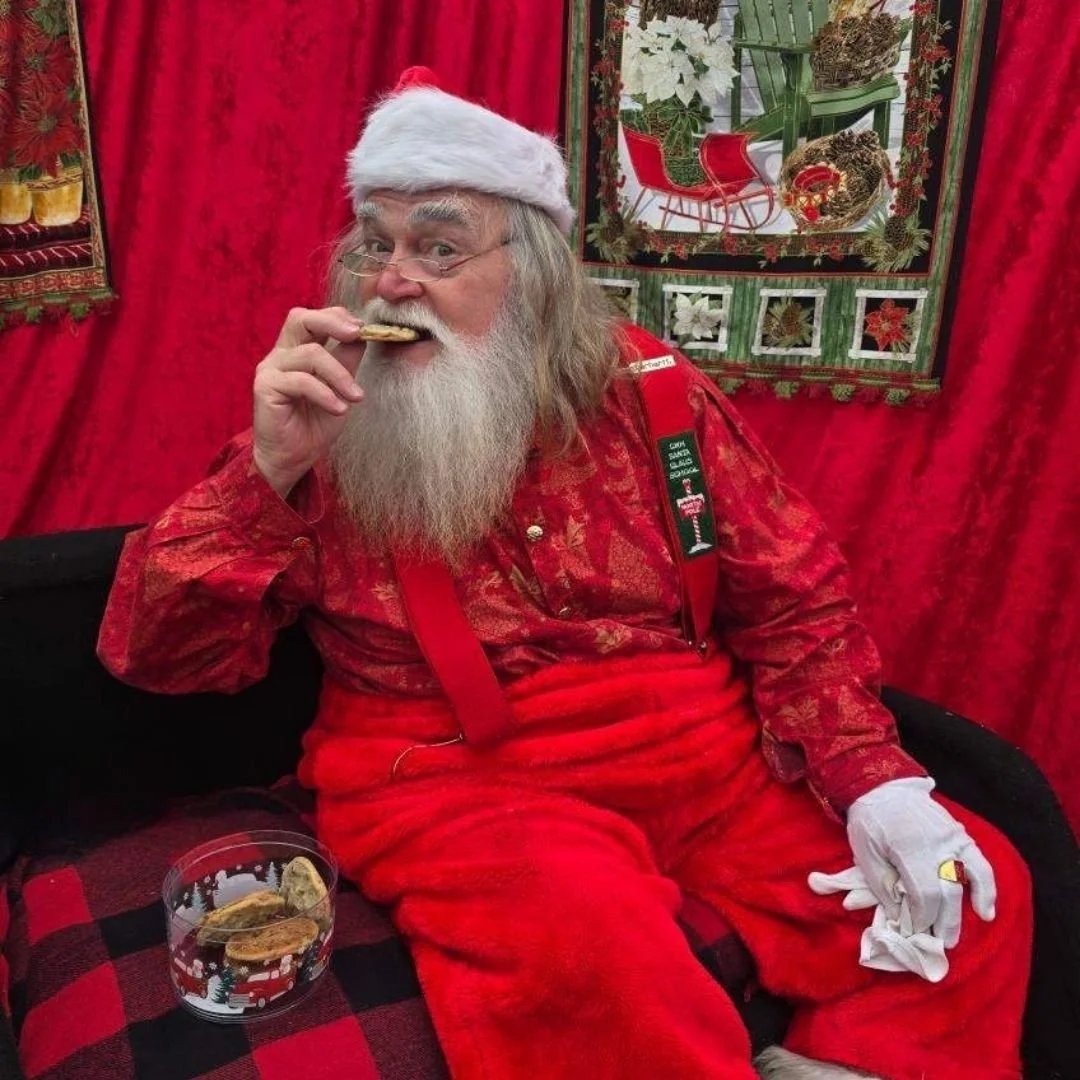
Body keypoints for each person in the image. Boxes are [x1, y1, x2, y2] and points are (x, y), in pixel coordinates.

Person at [98, 67, 1031, 1080]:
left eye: (439, 247)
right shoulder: (328, 424)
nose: (393, 281)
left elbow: (795, 597)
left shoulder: (653, 393)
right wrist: (269, 472)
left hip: (703, 756)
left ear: (536, 271)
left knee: (970, 887)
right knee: (588, 951)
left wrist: (872, 778)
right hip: (450, 780)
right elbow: (157, 658)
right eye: (375, 243)